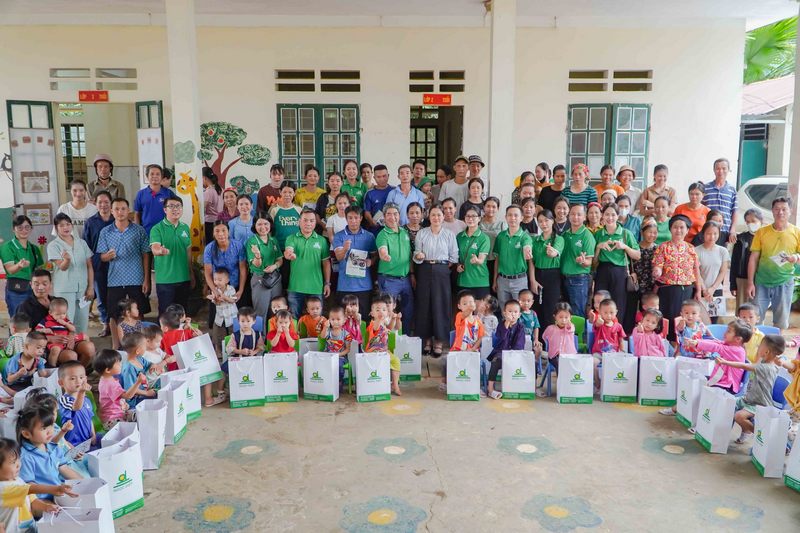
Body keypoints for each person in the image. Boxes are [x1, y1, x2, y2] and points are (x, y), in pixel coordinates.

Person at [96, 197, 150, 350]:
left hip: (136, 278)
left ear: (128, 211)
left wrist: (146, 279)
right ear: (111, 212)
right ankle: (116, 346)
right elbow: (101, 256)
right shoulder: (105, 232)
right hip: (115, 279)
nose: (120, 212)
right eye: (117, 209)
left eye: (123, 209)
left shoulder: (139, 230)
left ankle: (139, 345)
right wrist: (107, 256)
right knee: (113, 314)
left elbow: (146, 254)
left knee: (138, 312)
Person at [747, 196, 800, 330]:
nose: (780, 212)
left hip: (785, 281)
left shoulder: (797, 232)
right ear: (772, 211)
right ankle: (756, 342)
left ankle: (776, 342)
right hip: (761, 282)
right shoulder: (762, 232)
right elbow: (753, 258)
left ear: (790, 211)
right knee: (755, 319)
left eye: (784, 209)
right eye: (777, 209)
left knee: (781, 321)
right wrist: (750, 283)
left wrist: (795, 257)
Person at [413, 205, 458, 357]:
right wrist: (419, 255)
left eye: (439, 215)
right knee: (424, 304)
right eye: (433, 215)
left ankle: (439, 341)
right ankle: (426, 340)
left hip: (442, 270)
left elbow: (454, 256)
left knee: (440, 304)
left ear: (443, 217)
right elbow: (417, 252)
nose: (436, 218)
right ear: (428, 216)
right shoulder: (422, 233)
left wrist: (441, 266)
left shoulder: (449, 234)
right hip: (424, 269)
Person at [723, 335, 785, 444]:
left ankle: (759, 434)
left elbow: (744, 366)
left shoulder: (766, 368)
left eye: (760, 346)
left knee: (739, 416)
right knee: (727, 403)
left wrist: (725, 362)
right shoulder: (764, 361)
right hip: (748, 399)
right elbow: (760, 359)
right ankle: (723, 435)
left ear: (766, 352)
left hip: (759, 404)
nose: (758, 347)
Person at [652, 215, 703, 341]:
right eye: (675, 227)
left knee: (684, 319)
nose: (678, 230)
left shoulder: (691, 248)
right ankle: (667, 345)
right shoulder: (663, 247)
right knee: (668, 319)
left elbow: (696, 270)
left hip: (687, 290)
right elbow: (658, 265)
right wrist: (657, 271)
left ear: (687, 230)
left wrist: (698, 290)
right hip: (667, 290)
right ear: (670, 229)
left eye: (682, 227)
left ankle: (683, 345)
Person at [17, 403, 83, 500]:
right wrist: (53, 491)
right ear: (27, 434)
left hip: (58, 494)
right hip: (41, 501)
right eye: (44, 428)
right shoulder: (25, 457)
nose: (50, 431)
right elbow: (28, 487)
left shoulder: (53, 447)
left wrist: (85, 483)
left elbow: (64, 468)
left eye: (51, 425)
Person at [593, 203, 641, 324]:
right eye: (607, 214)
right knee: (600, 302)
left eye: (613, 214)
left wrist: (625, 247)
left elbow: (637, 255)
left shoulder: (626, 233)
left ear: (618, 216)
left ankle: (616, 330)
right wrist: (599, 247)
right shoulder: (598, 234)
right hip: (602, 271)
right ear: (602, 215)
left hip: (620, 272)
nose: (610, 218)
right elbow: (593, 262)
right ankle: (601, 330)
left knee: (619, 303)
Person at [47, 213, 94, 335]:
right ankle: (67, 345)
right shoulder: (53, 246)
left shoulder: (82, 243)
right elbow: (62, 267)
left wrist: (90, 287)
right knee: (66, 321)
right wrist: (67, 260)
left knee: (82, 322)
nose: (65, 227)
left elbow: (89, 266)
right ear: (56, 228)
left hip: (83, 289)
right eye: (61, 225)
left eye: (68, 224)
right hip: (65, 289)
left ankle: (81, 344)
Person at [681, 320, 751, 396]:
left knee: (701, 390)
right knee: (697, 381)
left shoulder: (738, 350)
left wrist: (697, 343)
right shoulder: (728, 344)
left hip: (728, 386)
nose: (725, 333)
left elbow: (717, 347)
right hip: (720, 380)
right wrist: (696, 341)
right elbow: (715, 342)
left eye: (728, 331)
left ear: (738, 339)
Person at [150, 196, 194, 315]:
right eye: (171, 206)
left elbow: (188, 252)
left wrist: (191, 273)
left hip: (184, 278)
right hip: (165, 280)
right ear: (165, 210)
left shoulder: (185, 227)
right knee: (166, 315)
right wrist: (160, 250)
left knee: (182, 314)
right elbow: (154, 248)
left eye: (178, 206)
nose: (175, 209)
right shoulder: (157, 229)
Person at [284, 209, 332, 318]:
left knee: (317, 321)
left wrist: (327, 283)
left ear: (315, 222)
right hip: (295, 287)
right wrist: (289, 254)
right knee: (294, 320)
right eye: (305, 220)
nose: (308, 223)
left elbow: (326, 263)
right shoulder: (291, 238)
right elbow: (288, 250)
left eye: (311, 220)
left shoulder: (322, 240)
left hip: (316, 288)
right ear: (299, 221)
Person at [376, 204, 414, 334]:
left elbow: (409, 255)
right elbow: (382, 250)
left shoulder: (404, 232)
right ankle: (386, 341)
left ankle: (405, 338)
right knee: (387, 314)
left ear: (399, 215)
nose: (392, 217)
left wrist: (412, 274)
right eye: (389, 214)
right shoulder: (382, 234)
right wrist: (384, 255)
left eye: (395, 214)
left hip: (405, 279)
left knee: (407, 312)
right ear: (384, 217)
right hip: (388, 279)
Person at [333, 206, 377, 313]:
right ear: (346, 218)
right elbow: (339, 257)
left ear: (361, 218)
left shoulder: (369, 236)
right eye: (350, 218)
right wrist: (345, 249)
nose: (353, 221)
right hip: (344, 285)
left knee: (363, 318)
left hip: (364, 286)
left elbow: (375, 256)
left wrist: (371, 261)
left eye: (356, 217)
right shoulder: (339, 236)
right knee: (344, 318)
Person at [203, 222, 246, 327]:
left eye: (224, 230)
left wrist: (241, 290)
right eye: (217, 231)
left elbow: (243, 269)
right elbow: (208, 273)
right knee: (217, 321)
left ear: (228, 232)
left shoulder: (238, 246)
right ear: (213, 233)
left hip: (235, 285)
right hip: (217, 286)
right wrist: (214, 291)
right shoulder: (209, 248)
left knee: (236, 319)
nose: (221, 234)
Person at [83, 190, 115, 337]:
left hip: (117, 265)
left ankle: (117, 324)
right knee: (102, 296)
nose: (103, 205)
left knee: (116, 296)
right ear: (95, 204)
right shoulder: (91, 222)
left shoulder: (117, 219)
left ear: (111, 203)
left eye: (106, 202)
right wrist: (99, 258)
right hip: (98, 265)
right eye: (100, 202)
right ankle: (105, 324)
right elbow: (87, 246)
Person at [1, 216, 44, 318]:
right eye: (20, 228)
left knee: (33, 320)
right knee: (18, 320)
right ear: (13, 229)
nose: (24, 230)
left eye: (27, 227)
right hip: (16, 290)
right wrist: (19, 266)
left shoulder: (34, 248)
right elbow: (10, 270)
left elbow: (38, 270)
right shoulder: (7, 247)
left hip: (34, 289)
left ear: (31, 229)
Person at [492, 205, 533, 308]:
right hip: (502, 280)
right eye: (509, 215)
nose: (512, 218)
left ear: (521, 218)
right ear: (505, 217)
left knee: (520, 310)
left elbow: (527, 246)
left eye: (516, 215)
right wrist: (495, 280)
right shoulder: (500, 236)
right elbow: (497, 259)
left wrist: (527, 251)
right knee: (504, 309)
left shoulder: (525, 236)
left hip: (519, 280)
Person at [246, 212, 283, 324]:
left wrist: (274, 266)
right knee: (260, 313)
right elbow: (256, 264)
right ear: (254, 226)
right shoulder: (252, 242)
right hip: (260, 279)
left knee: (277, 312)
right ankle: (261, 335)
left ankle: (275, 334)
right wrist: (257, 255)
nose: (263, 227)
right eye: (259, 224)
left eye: (266, 224)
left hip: (275, 278)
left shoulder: (273, 240)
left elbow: (280, 260)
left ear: (270, 224)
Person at [531, 210, 565, 334]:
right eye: (540, 221)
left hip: (553, 275)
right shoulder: (535, 240)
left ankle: (550, 339)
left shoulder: (559, 239)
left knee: (550, 308)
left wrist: (552, 252)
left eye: (546, 220)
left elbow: (556, 252)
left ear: (552, 221)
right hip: (537, 275)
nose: (543, 224)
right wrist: (532, 280)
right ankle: (537, 339)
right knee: (537, 308)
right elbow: (531, 261)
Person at [486, 299, 527, 399]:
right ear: (504, 313)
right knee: (495, 362)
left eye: (515, 312)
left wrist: (513, 354)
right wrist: (507, 323)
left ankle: (528, 387)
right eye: (510, 311)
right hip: (501, 352)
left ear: (519, 314)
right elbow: (501, 341)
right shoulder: (501, 325)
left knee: (530, 362)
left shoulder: (521, 327)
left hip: (515, 353)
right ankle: (490, 389)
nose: (513, 314)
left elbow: (520, 344)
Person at [445, 291, 486, 391]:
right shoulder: (459, 316)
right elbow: (465, 314)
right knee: (446, 361)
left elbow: (481, 337)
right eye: (465, 303)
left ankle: (475, 386)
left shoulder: (479, 322)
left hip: (473, 350)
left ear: (475, 303)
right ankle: (447, 383)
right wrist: (471, 308)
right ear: (459, 306)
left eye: (471, 302)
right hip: (458, 350)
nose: (468, 305)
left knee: (473, 364)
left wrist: (473, 349)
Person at [94, 349, 144, 429]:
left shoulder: (105, 379)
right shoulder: (110, 384)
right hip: (112, 419)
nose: (121, 364)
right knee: (135, 426)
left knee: (139, 415)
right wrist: (138, 382)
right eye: (118, 363)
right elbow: (128, 396)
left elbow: (117, 397)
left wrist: (124, 404)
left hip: (119, 413)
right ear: (108, 370)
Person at [561, 204, 595, 318]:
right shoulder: (565, 234)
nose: (575, 217)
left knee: (577, 312)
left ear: (585, 217)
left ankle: (578, 331)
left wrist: (583, 261)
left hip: (579, 280)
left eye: (579, 214)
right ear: (568, 216)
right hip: (564, 278)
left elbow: (589, 262)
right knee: (565, 313)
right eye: (573, 214)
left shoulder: (587, 235)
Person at [364, 298, 402, 395]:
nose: (381, 311)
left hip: (384, 351)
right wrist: (379, 319)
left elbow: (390, 328)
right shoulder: (373, 324)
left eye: (384, 310)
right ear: (372, 314)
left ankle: (395, 385)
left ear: (387, 312)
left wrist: (393, 318)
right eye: (377, 310)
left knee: (396, 361)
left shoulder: (384, 324)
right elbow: (376, 328)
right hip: (373, 352)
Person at [56, 360, 96, 448]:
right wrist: (82, 392)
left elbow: (90, 418)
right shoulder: (64, 400)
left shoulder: (86, 399)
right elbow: (76, 407)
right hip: (73, 444)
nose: (78, 381)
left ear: (85, 379)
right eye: (72, 378)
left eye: (81, 377)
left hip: (88, 441)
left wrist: (93, 435)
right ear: (61, 383)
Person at [696, 221, 730, 322]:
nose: (712, 237)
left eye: (715, 233)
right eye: (709, 234)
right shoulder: (696, 251)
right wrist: (704, 289)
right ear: (703, 234)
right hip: (700, 290)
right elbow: (696, 273)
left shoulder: (723, 251)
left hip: (716, 290)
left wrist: (713, 288)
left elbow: (723, 272)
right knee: (700, 321)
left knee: (713, 321)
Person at [456, 207, 491, 300]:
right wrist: (458, 265)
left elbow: (481, 260)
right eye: (468, 216)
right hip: (463, 281)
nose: (470, 219)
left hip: (480, 281)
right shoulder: (459, 236)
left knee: (481, 308)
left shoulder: (484, 238)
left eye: (474, 216)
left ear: (479, 218)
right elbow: (457, 256)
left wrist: (477, 260)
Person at [702, 158, 738, 244]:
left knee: (723, 252)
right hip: (708, 231)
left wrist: (732, 230)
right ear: (714, 170)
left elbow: (735, 211)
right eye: (717, 168)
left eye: (724, 168)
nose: (720, 171)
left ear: (728, 170)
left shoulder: (732, 190)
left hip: (725, 232)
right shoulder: (705, 188)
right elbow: (700, 210)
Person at [133, 164, 177, 235]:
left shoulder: (168, 193)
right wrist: (138, 231)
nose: (155, 176)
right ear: (147, 176)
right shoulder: (141, 194)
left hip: (166, 232)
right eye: (152, 174)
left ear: (161, 177)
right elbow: (137, 213)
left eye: (158, 174)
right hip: (146, 233)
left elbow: (177, 209)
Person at [320, 306, 354, 385]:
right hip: (327, 356)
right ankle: (326, 382)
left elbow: (347, 350)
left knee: (338, 365)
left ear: (344, 320)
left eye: (338, 319)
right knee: (320, 364)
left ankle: (338, 382)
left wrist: (337, 355)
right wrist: (325, 327)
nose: (335, 322)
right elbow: (322, 336)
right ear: (329, 320)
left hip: (341, 357)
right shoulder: (328, 331)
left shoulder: (346, 334)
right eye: (332, 319)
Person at [208, 268, 238, 351]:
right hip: (220, 316)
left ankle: (233, 350)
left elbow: (233, 300)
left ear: (227, 280)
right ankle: (218, 350)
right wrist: (215, 299)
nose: (217, 282)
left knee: (233, 334)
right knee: (217, 334)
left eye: (220, 280)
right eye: (215, 279)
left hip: (232, 317)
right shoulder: (215, 290)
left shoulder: (231, 289)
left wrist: (224, 297)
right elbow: (216, 303)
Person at [541, 302, 577, 372]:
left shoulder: (570, 327)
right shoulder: (550, 328)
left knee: (571, 364)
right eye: (560, 317)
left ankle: (567, 377)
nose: (563, 320)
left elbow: (570, 329)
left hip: (569, 355)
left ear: (570, 317)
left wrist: (569, 323)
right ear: (555, 317)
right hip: (554, 356)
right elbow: (544, 337)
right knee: (560, 363)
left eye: (566, 317)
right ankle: (561, 378)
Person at [269, 181, 303, 251]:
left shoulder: (299, 209)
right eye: (284, 192)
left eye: (290, 192)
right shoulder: (274, 209)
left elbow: (303, 228)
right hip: (278, 247)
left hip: (296, 247)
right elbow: (268, 229)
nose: (287, 195)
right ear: (280, 192)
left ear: (294, 193)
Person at [362, 164, 394, 234]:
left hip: (392, 230)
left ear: (388, 176)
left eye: (384, 176)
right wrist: (372, 222)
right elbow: (367, 213)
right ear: (374, 177)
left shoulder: (394, 190)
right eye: (378, 177)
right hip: (375, 231)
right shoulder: (369, 193)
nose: (382, 179)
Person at [202, 167, 222, 244]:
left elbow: (202, 208)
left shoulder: (209, 191)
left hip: (209, 224)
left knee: (210, 245)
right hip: (218, 221)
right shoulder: (219, 189)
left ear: (204, 178)